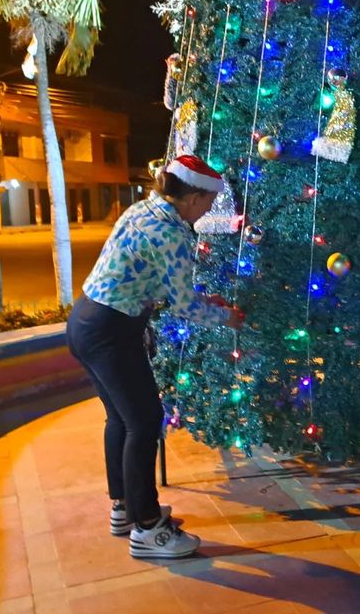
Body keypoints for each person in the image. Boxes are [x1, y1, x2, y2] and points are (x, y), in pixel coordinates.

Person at [67, 154, 244, 559]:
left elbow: (156, 282)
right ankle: (148, 528)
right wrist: (226, 316)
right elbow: (183, 306)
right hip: (111, 333)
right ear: (194, 198)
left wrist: (206, 302)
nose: (208, 211)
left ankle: (125, 508)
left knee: (121, 419)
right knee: (144, 423)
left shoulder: (142, 211)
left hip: (86, 321)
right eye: (208, 203)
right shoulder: (173, 234)